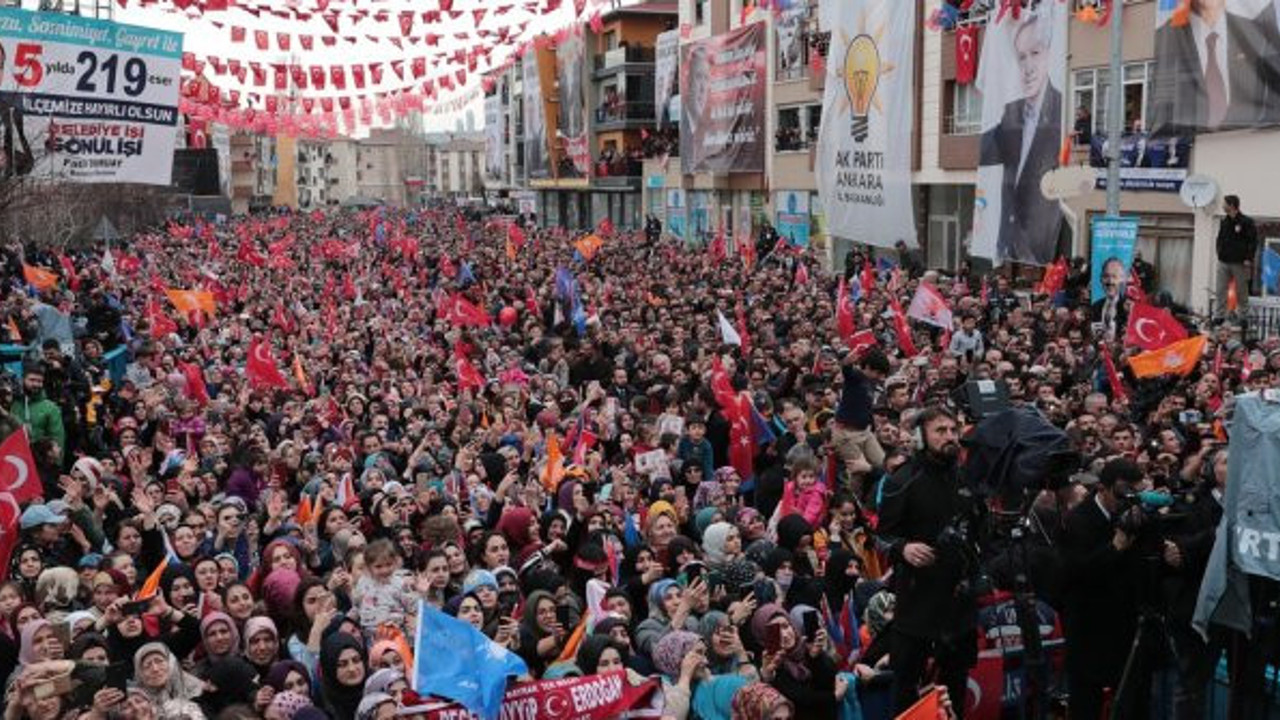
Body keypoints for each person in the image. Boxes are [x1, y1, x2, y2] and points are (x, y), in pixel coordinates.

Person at [876, 406, 976, 716]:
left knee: (955, 688)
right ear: (921, 437)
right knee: (907, 691)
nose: (949, 437)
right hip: (916, 606)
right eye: (940, 431)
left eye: (952, 430)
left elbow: (979, 532)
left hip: (958, 606)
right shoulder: (903, 479)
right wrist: (903, 549)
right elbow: (881, 537)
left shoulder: (967, 477)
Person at [1059, 458, 1144, 720]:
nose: (1126, 499)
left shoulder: (1134, 515)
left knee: (1132, 701)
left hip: (1125, 626)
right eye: (1121, 492)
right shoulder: (1076, 521)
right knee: (1086, 704)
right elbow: (1075, 573)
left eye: (1133, 491)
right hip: (1088, 628)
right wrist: (1114, 548)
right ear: (1102, 489)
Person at [978, 11, 1065, 266]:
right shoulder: (1012, 111)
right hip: (1008, 243)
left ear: (1050, 54)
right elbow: (986, 153)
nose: (1027, 67)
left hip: (1039, 248)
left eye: (1035, 54)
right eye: (1021, 57)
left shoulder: (1062, 108)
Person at [1150, 0, 1280, 133]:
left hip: (1250, 143)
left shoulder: (1255, 33)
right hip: (1193, 147)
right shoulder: (1166, 36)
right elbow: (1163, 108)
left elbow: (1273, 98)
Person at [1216, 194, 1258, 318]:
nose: (1222, 206)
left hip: (1240, 262)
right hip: (1224, 261)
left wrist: (1248, 258)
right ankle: (1220, 315)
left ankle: (1243, 315)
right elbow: (1220, 239)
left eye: (1224, 204)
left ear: (1232, 205)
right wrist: (1219, 252)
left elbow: (1252, 241)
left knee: (1241, 290)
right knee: (1220, 290)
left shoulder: (1246, 222)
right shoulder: (1224, 222)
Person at [1090, 256, 1129, 341]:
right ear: (1101, 278)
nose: (1110, 282)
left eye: (1114, 277)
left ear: (1122, 279)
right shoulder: (1095, 307)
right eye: (1106, 276)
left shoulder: (1129, 309)